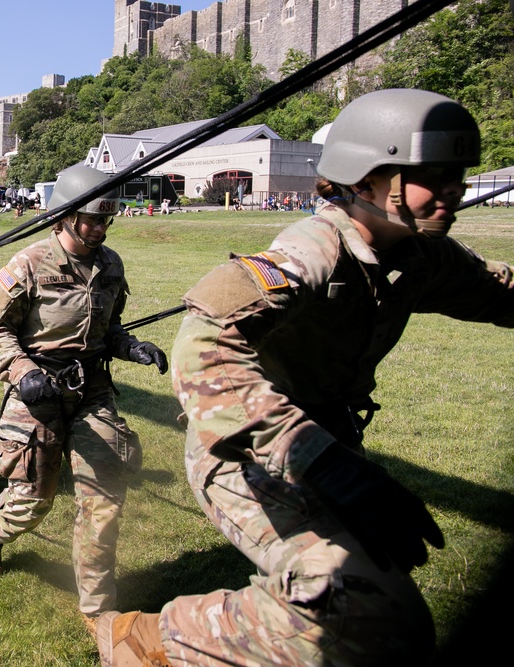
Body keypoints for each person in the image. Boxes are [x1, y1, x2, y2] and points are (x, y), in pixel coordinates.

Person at [96, 89, 514, 665]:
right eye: (431, 175)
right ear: (366, 179)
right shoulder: (311, 251)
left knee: (384, 618)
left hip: (326, 447)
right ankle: (152, 638)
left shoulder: (423, 256)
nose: (451, 193)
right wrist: (317, 457)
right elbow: (202, 346)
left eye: (456, 177)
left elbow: (501, 292)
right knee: (358, 607)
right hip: (245, 453)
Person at [0, 165, 169, 634]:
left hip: (92, 392)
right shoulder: (27, 264)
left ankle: (97, 607)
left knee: (103, 500)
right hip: (38, 392)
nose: (100, 228)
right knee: (33, 499)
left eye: (107, 219)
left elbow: (110, 328)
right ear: (64, 216)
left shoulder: (111, 265)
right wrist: (22, 373)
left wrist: (130, 347)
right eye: (91, 219)